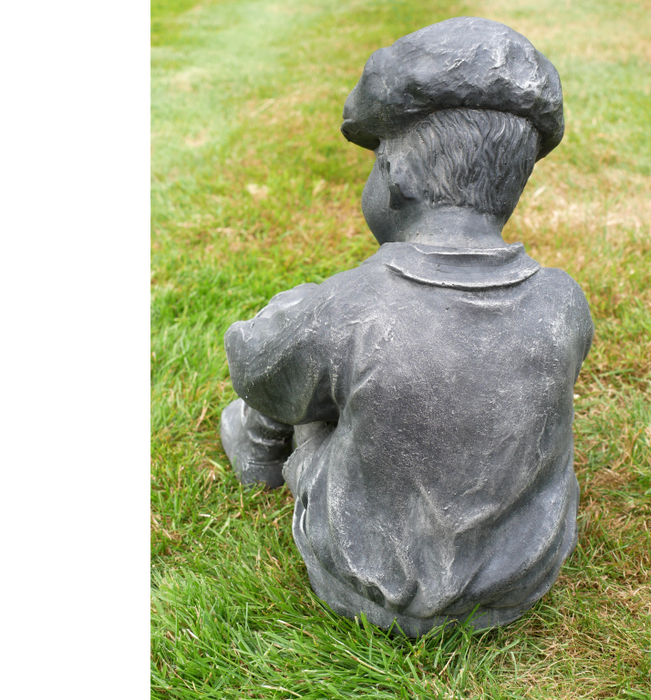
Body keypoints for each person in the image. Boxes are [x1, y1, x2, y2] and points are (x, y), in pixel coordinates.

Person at [221, 17, 593, 637]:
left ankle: (257, 457)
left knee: (294, 381)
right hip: (521, 580)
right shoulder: (564, 301)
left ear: (395, 176)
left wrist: (289, 317)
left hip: (365, 582)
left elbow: (253, 368)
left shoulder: (347, 307)